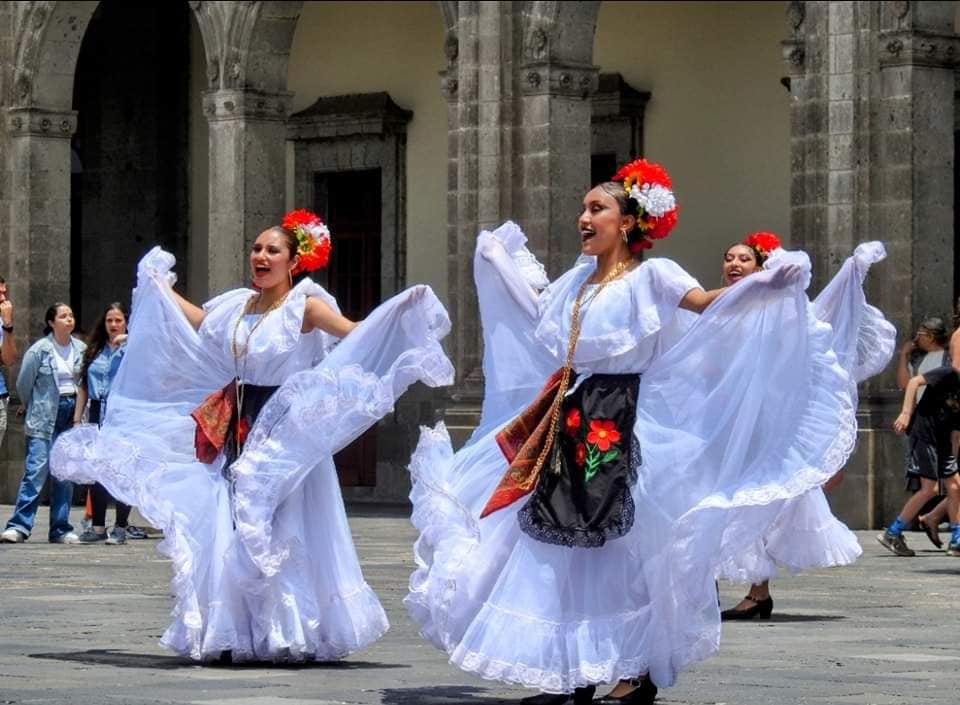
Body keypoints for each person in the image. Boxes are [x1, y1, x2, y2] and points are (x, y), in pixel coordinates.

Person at [405, 160, 860, 704]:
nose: (583, 218)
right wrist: (498, 262)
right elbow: (538, 318)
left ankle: (635, 671)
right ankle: (572, 674)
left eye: (596, 208)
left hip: (626, 424)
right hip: (568, 420)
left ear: (627, 223)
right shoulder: (577, 281)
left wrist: (765, 283)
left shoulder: (655, 276)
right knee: (562, 548)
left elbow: (705, 305)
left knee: (625, 552)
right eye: (583, 208)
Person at [51, 209, 453, 662]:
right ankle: (237, 631)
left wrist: (398, 314)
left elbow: (355, 333)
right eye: (257, 249)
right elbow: (203, 323)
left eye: (272, 250)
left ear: (293, 261)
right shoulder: (240, 304)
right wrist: (161, 289)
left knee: (281, 525)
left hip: (284, 427)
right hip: (239, 422)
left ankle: (287, 631)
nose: (261, 256)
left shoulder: (305, 305)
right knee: (236, 524)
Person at [719, 234, 894, 620]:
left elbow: (822, 321)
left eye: (743, 259)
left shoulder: (782, 309)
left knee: (757, 500)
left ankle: (756, 591)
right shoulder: (720, 305)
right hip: (728, 423)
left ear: (760, 267)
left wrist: (852, 272)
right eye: (728, 258)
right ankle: (725, 588)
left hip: (764, 424)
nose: (733, 264)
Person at [0, 303, 85, 544]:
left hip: (72, 411)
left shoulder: (80, 348)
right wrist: (30, 404)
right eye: (63, 316)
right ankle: (19, 525)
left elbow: (84, 382)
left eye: (71, 315)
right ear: (51, 322)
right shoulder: (40, 350)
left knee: (64, 472)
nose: (69, 319)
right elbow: (24, 383)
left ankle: (60, 528)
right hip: (44, 413)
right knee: (36, 469)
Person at [884, 321, 960, 557]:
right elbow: (914, 382)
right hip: (924, 432)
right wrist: (906, 414)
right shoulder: (949, 373)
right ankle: (893, 532)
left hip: (942, 436)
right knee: (930, 488)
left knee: (955, 485)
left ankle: (957, 538)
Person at [74, 303, 134, 545]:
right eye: (110, 320)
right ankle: (98, 526)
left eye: (118, 320)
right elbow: (84, 387)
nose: (113, 325)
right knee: (97, 471)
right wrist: (77, 419)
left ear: (126, 323)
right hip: (97, 410)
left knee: (122, 471)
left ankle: (120, 527)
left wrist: (129, 339)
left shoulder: (133, 348)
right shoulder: (95, 350)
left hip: (121, 413)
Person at [0, 276, 17, 448]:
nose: (4, 299)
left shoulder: (2, 323)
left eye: (4, 293)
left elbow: (9, 359)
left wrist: (7, 326)